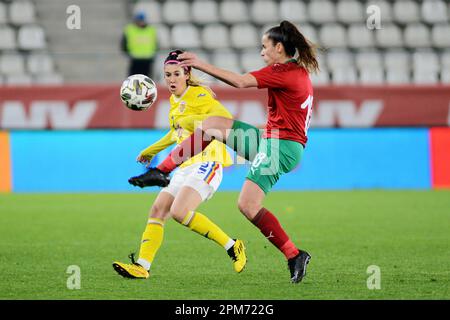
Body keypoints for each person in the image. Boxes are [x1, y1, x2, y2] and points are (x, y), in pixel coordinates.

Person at [130, 21, 319, 283]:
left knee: (247, 204)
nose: (261, 51)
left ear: (279, 47)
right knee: (212, 126)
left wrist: (198, 63)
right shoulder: (292, 71)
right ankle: (161, 172)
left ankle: (293, 254)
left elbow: (241, 82)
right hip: (270, 139)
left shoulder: (283, 72)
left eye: (264, 46)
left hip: (281, 148)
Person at [113, 50, 247, 279]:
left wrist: (196, 123)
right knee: (158, 210)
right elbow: (175, 134)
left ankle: (233, 246)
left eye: (176, 74)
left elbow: (225, 121)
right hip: (185, 165)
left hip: (208, 161)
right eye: (167, 75)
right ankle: (142, 267)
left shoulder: (200, 96)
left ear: (187, 74)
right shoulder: (175, 102)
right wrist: (150, 150)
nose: (172, 79)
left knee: (180, 211)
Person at [121, 11, 158, 77]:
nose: (141, 22)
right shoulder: (129, 29)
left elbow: (156, 44)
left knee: (147, 80)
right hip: (135, 59)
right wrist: (128, 52)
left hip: (147, 59)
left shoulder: (151, 30)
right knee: (133, 80)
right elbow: (123, 44)